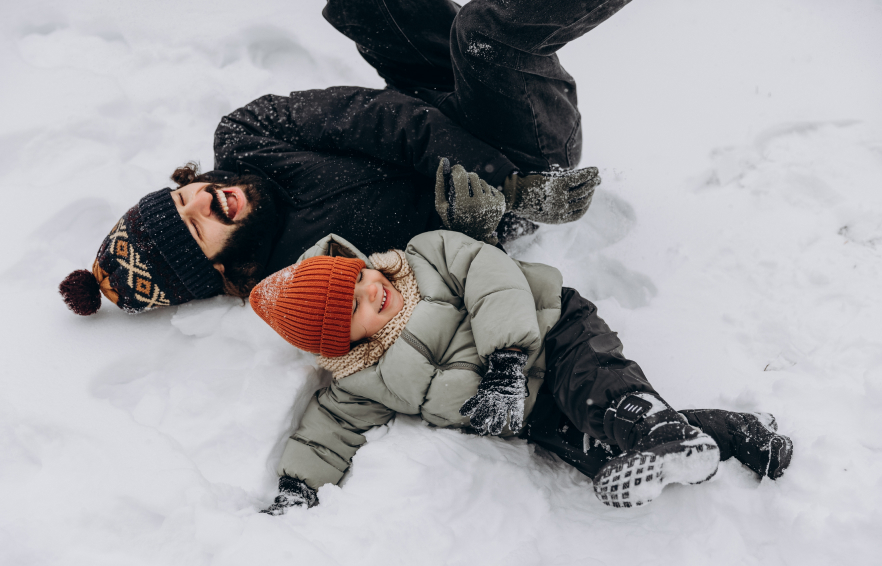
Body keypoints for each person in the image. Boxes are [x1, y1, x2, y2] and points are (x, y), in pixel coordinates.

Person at [58, 0, 617, 316]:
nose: (205, 200)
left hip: (455, 137)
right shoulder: (304, 277)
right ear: (218, 269)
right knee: (485, 35)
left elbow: (370, 116)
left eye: (184, 197)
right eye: (196, 227)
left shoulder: (243, 135)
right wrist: (500, 203)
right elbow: (425, 289)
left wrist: (498, 179)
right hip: (520, 165)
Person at [248, 231, 793, 512]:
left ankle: (660, 429)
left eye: (357, 276)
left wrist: (507, 359)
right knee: (595, 449)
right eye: (352, 308)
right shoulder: (364, 379)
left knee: (599, 392)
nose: (371, 289)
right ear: (342, 342)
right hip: (527, 413)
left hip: (553, 333)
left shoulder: (427, 257)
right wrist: (300, 484)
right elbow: (329, 428)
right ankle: (738, 435)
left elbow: (493, 276)